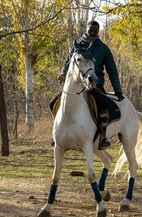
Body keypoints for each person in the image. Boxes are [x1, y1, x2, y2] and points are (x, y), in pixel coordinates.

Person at [59, 20, 124, 150]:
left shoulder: (104, 48)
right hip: (76, 85)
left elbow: (112, 70)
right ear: (86, 30)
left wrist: (118, 90)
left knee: (103, 105)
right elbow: (68, 62)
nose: (93, 33)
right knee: (56, 102)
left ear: (98, 31)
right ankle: (58, 135)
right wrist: (63, 72)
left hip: (95, 85)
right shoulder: (77, 45)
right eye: (90, 30)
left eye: (95, 31)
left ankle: (102, 137)